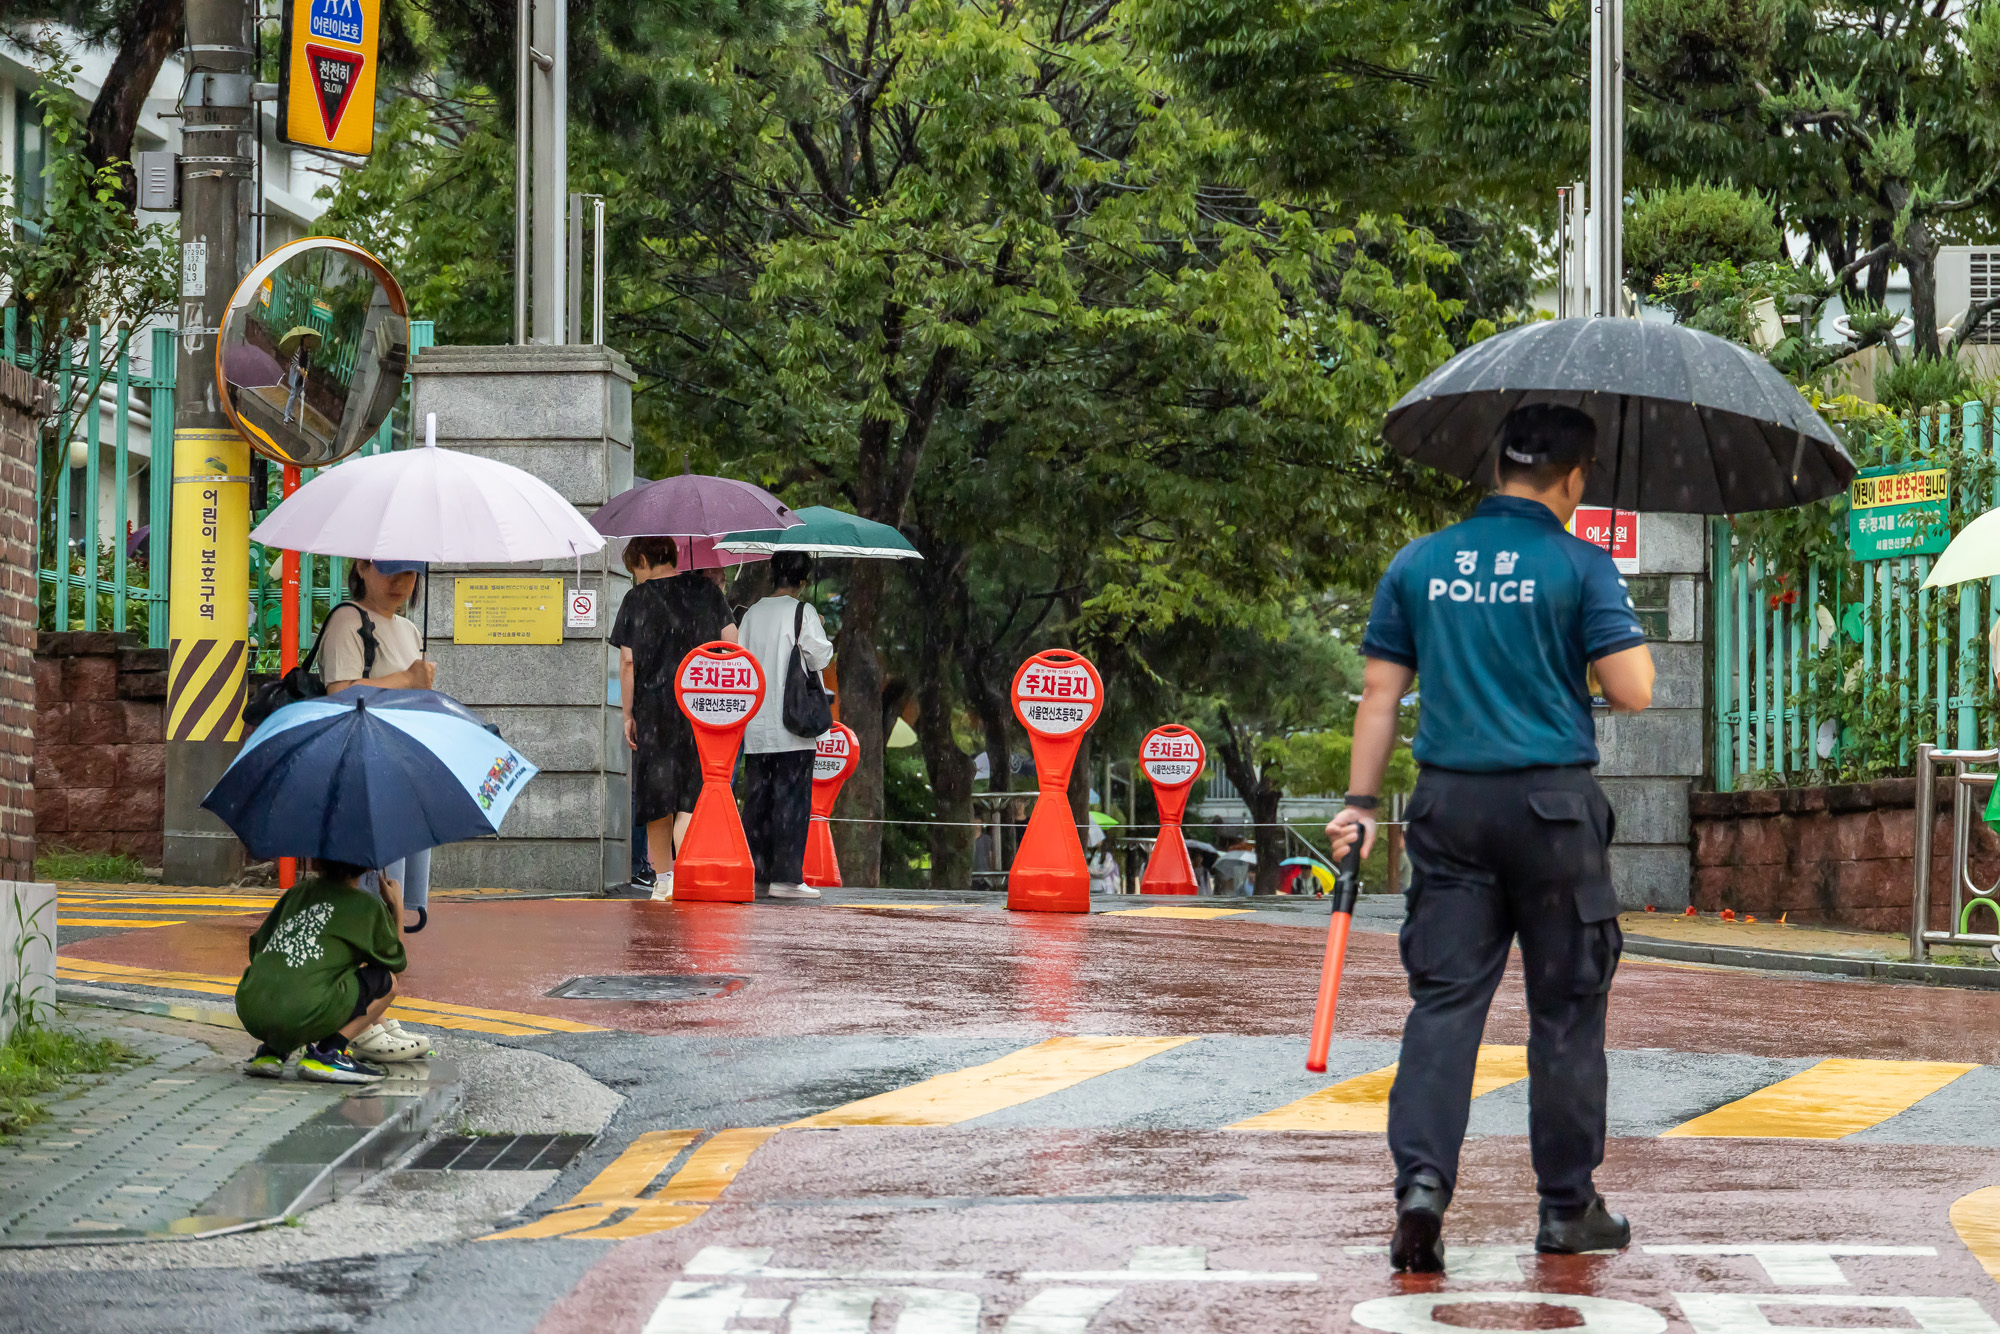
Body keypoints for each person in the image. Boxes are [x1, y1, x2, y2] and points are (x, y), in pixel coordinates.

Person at [1326, 403, 1655, 1272]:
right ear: (1576, 479)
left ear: (1495, 467)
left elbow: (1379, 695)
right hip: (1552, 813)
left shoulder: (1420, 563)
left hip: (1449, 810)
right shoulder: (1582, 564)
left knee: (1444, 1005)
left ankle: (1423, 1190)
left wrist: (1361, 804)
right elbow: (1635, 691)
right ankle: (1566, 1208)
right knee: (1566, 1013)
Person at [611, 536, 739, 900]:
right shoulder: (707, 592)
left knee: (656, 799)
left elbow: (627, 662)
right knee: (692, 795)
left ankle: (664, 880)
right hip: (700, 707)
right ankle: (688, 870)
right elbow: (733, 644)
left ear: (643, 560)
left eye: (634, 568)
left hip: (653, 710)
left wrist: (627, 715)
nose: (635, 577)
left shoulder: (637, 599)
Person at [323, 559, 437, 934]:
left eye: (409, 572)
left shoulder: (408, 630)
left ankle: (385, 962)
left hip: (402, 760)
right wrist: (407, 678)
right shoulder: (348, 620)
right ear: (362, 566)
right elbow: (340, 693)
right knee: (373, 876)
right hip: (365, 761)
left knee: (396, 889)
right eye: (390, 570)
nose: (401, 582)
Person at [237, 857, 423, 1082]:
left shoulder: (296, 893)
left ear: (316, 862)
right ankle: (328, 1052)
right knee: (387, 983)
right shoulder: (366, 905)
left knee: (298, 978)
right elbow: (395, 966)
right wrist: (397, 908)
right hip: (304, 1010)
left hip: (250, 1007)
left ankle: (272, 1052)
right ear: (366, 867)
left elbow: (258, 946)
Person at [736, 552, 835, 898]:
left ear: (773, 574)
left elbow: (741, 659)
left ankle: (759, 872)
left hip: (756, 727)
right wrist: (818, 623)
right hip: (793, 725)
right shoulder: (803, 612)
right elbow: (820, 656)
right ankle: (787, 878)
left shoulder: (751, 614)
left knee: (758, 801)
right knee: (791, 802)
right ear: (803, 581)